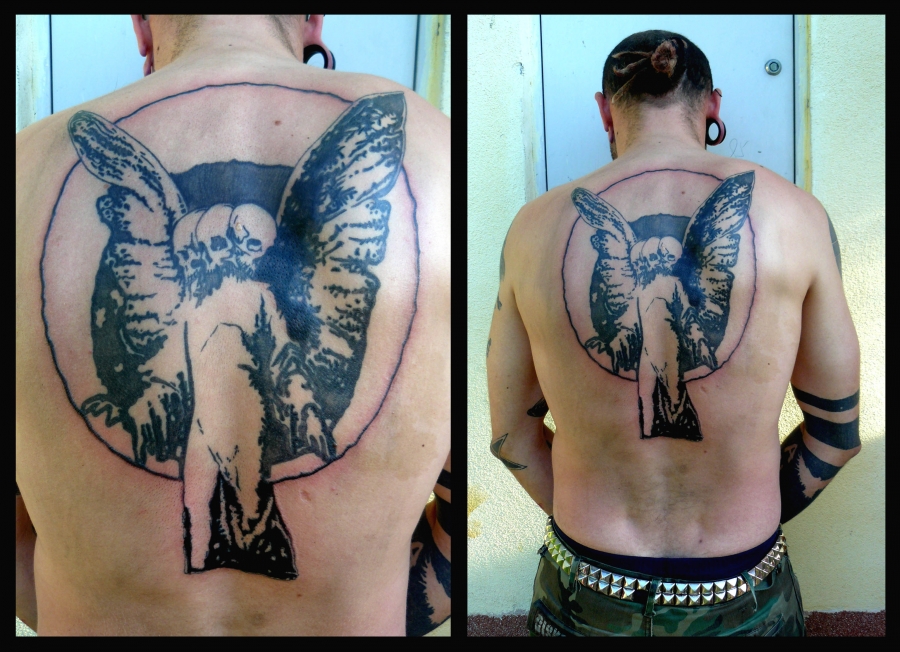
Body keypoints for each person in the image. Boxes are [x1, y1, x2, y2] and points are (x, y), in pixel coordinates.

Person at [16, 15, 450, 636]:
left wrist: (83, 604)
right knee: (213, 495)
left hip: (233, 431)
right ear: (313, 18)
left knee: (235, 492)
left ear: (141, 25)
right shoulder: (440, 158)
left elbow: (282, 366)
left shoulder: (24, 171)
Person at [486, 29, 858, 637]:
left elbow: (510, 438)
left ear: (606, 112)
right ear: (713, 106)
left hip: (585, 589)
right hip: (743, 595)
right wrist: (745, 517)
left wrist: (597, 534)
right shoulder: (797, 218)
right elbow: (836, 435)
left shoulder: (532, 230)